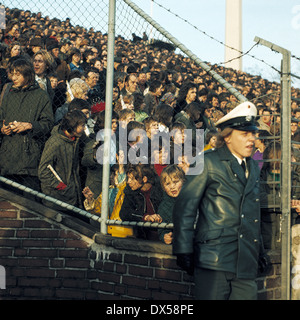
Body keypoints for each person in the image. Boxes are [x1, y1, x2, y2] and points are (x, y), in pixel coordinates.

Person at [172, 101, 268, 300]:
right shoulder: (207, 161)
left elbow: (252, 213)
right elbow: (185, 208)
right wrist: (183, 249)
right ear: (228, 137)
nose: (252, 139)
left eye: (253, 133)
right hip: (213, 260)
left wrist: (259, 252)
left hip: (245, 263)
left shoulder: (254, 168)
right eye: (244, 134)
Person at [0, 57, 54, 192]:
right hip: (7, 159)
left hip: (29, 159)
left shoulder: (41, 96)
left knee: (29, 201)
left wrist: (30, 126)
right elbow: (1, 118)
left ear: (27, 74)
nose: (14, 78)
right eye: (12, 74)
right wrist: (2, 128)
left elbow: (48, 124)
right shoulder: (9, 95)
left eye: (17, 74)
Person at [38, 110, 87, 211]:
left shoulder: (75, 140)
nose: (84, 128)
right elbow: (43, 171)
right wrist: (60, 186)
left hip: (71, 196)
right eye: (82, 125)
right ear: (73, 126)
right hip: (57, 199)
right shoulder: (55, 143)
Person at [82, 150, 134, 238]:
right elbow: (99, 209)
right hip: (111, 230)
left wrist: (121, 166)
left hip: (124, 232)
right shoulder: (108, 190)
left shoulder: (126, 189)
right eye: (111, 174)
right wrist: (90, 200)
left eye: (114, 174)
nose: (111, 176)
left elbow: (122, 184)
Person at [119, 164, 163, 240]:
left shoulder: (160, 189)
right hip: (141, 237)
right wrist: (145, 216)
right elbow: (124, 213)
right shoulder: (130, 192)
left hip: (162, 235)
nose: (128, 181)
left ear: (144, 179)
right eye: (128, 178)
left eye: (132, 179)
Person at [157, 165, 185, 244]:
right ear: (163, 187)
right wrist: (165, 236)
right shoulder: (163, 207)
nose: (172, 187)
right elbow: (162, 230)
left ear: (183, 181)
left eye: (175, 182)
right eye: (167, 184)